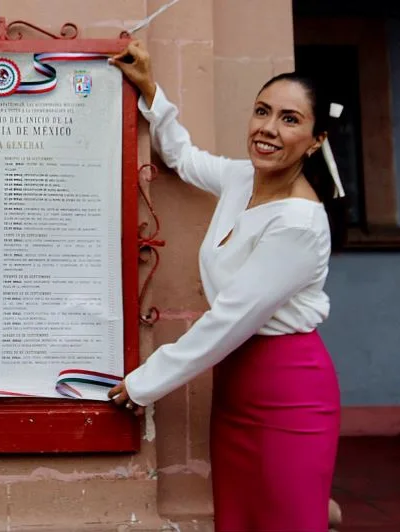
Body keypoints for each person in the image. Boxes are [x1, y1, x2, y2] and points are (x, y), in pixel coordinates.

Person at [108, 41, 341, 531]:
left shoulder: (299, 223)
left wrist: (144, 383)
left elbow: (229, 319)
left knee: (287, 519)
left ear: (316, 139)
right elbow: (183, 156)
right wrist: (150, 89)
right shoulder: (241, 179)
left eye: (289, 119)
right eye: (262, 112)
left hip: (289, 390)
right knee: (237, 518)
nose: (268, 129)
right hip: (236, 385)